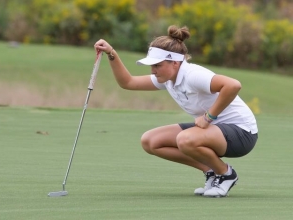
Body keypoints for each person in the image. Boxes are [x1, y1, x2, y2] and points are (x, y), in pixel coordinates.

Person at [94, 25, 258, 197]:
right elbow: (128, 83)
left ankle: (226, 174)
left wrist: (209, 116)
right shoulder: (167, 79)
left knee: (184, 139)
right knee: (150, 141)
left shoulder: (193, 75)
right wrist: (112, 53)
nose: (153, 70)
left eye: (157, 65)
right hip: (212, 130)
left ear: (175, 62)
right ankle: (211, 170)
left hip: (242, 133)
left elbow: (233, 85)